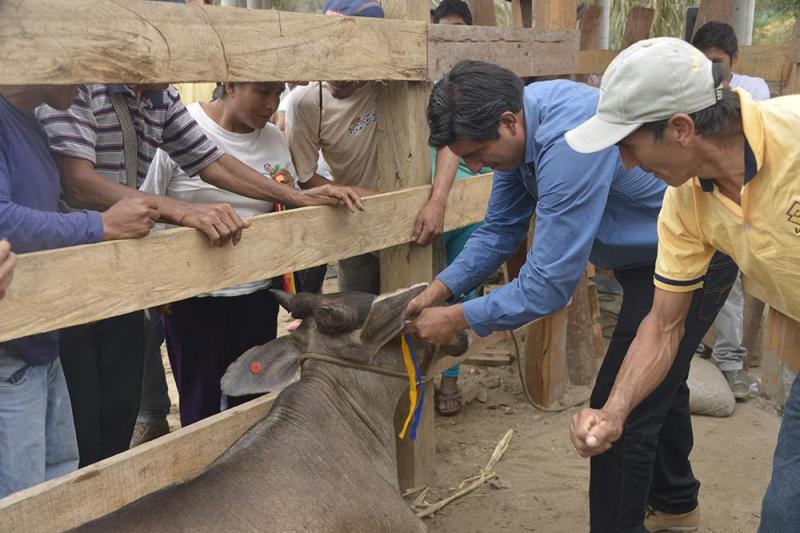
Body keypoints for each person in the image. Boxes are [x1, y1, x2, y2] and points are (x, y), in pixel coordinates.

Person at [405, 60, 737, 532]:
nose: (474, 166)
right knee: (662, 380)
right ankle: (677, 503)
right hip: (651, 254)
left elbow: (548, 285)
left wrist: (456, 317)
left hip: (698, 252)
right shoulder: (522, 131)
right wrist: (440, 288)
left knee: (614, 416)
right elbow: (500, 229)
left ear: (508, 121)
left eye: (477, 152)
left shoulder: (566, 143)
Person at [35, 82, 361, 467]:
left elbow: (212, 161)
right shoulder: (81, 86)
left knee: (119, 411)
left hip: (122, 273)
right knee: (77, 419)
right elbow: (77, 183)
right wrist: (177, 212)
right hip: (65, 271)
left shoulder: (160, 97)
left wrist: (299, 197)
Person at [565, 37, 800, 533]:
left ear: (680, 128)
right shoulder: (686, 204)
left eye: (629, 144)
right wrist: (615, 410)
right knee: (784, 517)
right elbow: (665, 324)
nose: (626, 163)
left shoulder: (795, 134)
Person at [0, 83, 156, 497]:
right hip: (9, 348)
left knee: (59, 480)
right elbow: (3, 220)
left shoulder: (31, 124)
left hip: (39, 340)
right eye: (82, 68)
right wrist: (100, 225)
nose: (89, 83)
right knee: (24, 499)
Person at [140, 81, 290, 426]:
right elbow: (148, 205)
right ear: (232, 84)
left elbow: (284, 199)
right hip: (194, 297)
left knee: (253, 400)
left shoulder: (274, 139)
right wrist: (158, 283)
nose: (272, 104)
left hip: (256, 293)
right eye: (263, 92)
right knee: (200, 403)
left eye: (278, 94)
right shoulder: (181, 129)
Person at [417, 0, 489, 415]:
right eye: (445, 30)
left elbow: (454, 143)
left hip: (467, 201)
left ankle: (450, 378)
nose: (453, 37)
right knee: (420, 293)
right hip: (424, 201)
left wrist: (443, 198)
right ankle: (419, 381)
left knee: (462, 288)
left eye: (460, 30)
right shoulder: (421, 80)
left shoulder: (474, 85)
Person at [692, 20, 769, 399]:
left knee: (732, 287)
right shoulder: (693, 89)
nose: (712, 70)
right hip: (696, 201)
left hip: (739, 202)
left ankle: (730, 364)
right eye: (704, 62)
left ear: (735, 59)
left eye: (718, 62)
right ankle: (688, 352)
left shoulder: (754, 90)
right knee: (686, 278)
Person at [285, 0, 384, 295]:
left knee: (414, 313)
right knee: (357, 317)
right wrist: (360, 195)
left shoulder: (394, 87)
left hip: (411, 213)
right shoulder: (305, 102)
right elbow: (305, 177)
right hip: (354, 219)